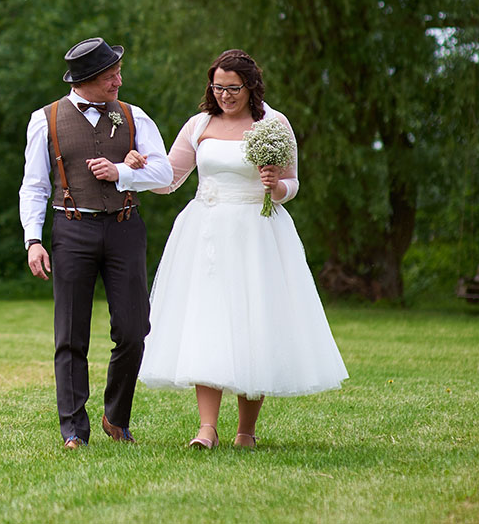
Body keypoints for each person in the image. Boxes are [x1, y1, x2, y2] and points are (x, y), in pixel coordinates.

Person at [127, 49, 347, 450]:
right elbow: (168, 181)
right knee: (206, 321)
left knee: (254, 321)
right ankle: (206, 429)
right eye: (218, 87)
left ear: (250, 87)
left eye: (233, 88)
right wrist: (138, 167)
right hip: (206, 232)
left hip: (256, 232)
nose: (225, 95)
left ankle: (246, 430)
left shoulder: (274, 124)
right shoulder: (199, 125)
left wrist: (276, 186)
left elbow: (293, 184)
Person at [20, 37, 174, 449]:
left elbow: (164, 174)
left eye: (118, 73)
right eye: (111, 76)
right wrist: (33, 240)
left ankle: (115, 416)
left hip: (125, 227)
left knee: (134, 328)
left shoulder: (134, 116)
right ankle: (73, 430)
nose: (119, 81)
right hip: (71, 229)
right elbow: (34, 187)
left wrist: (122, 171)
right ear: (86, 80)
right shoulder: (45, 120)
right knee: (71, 334)